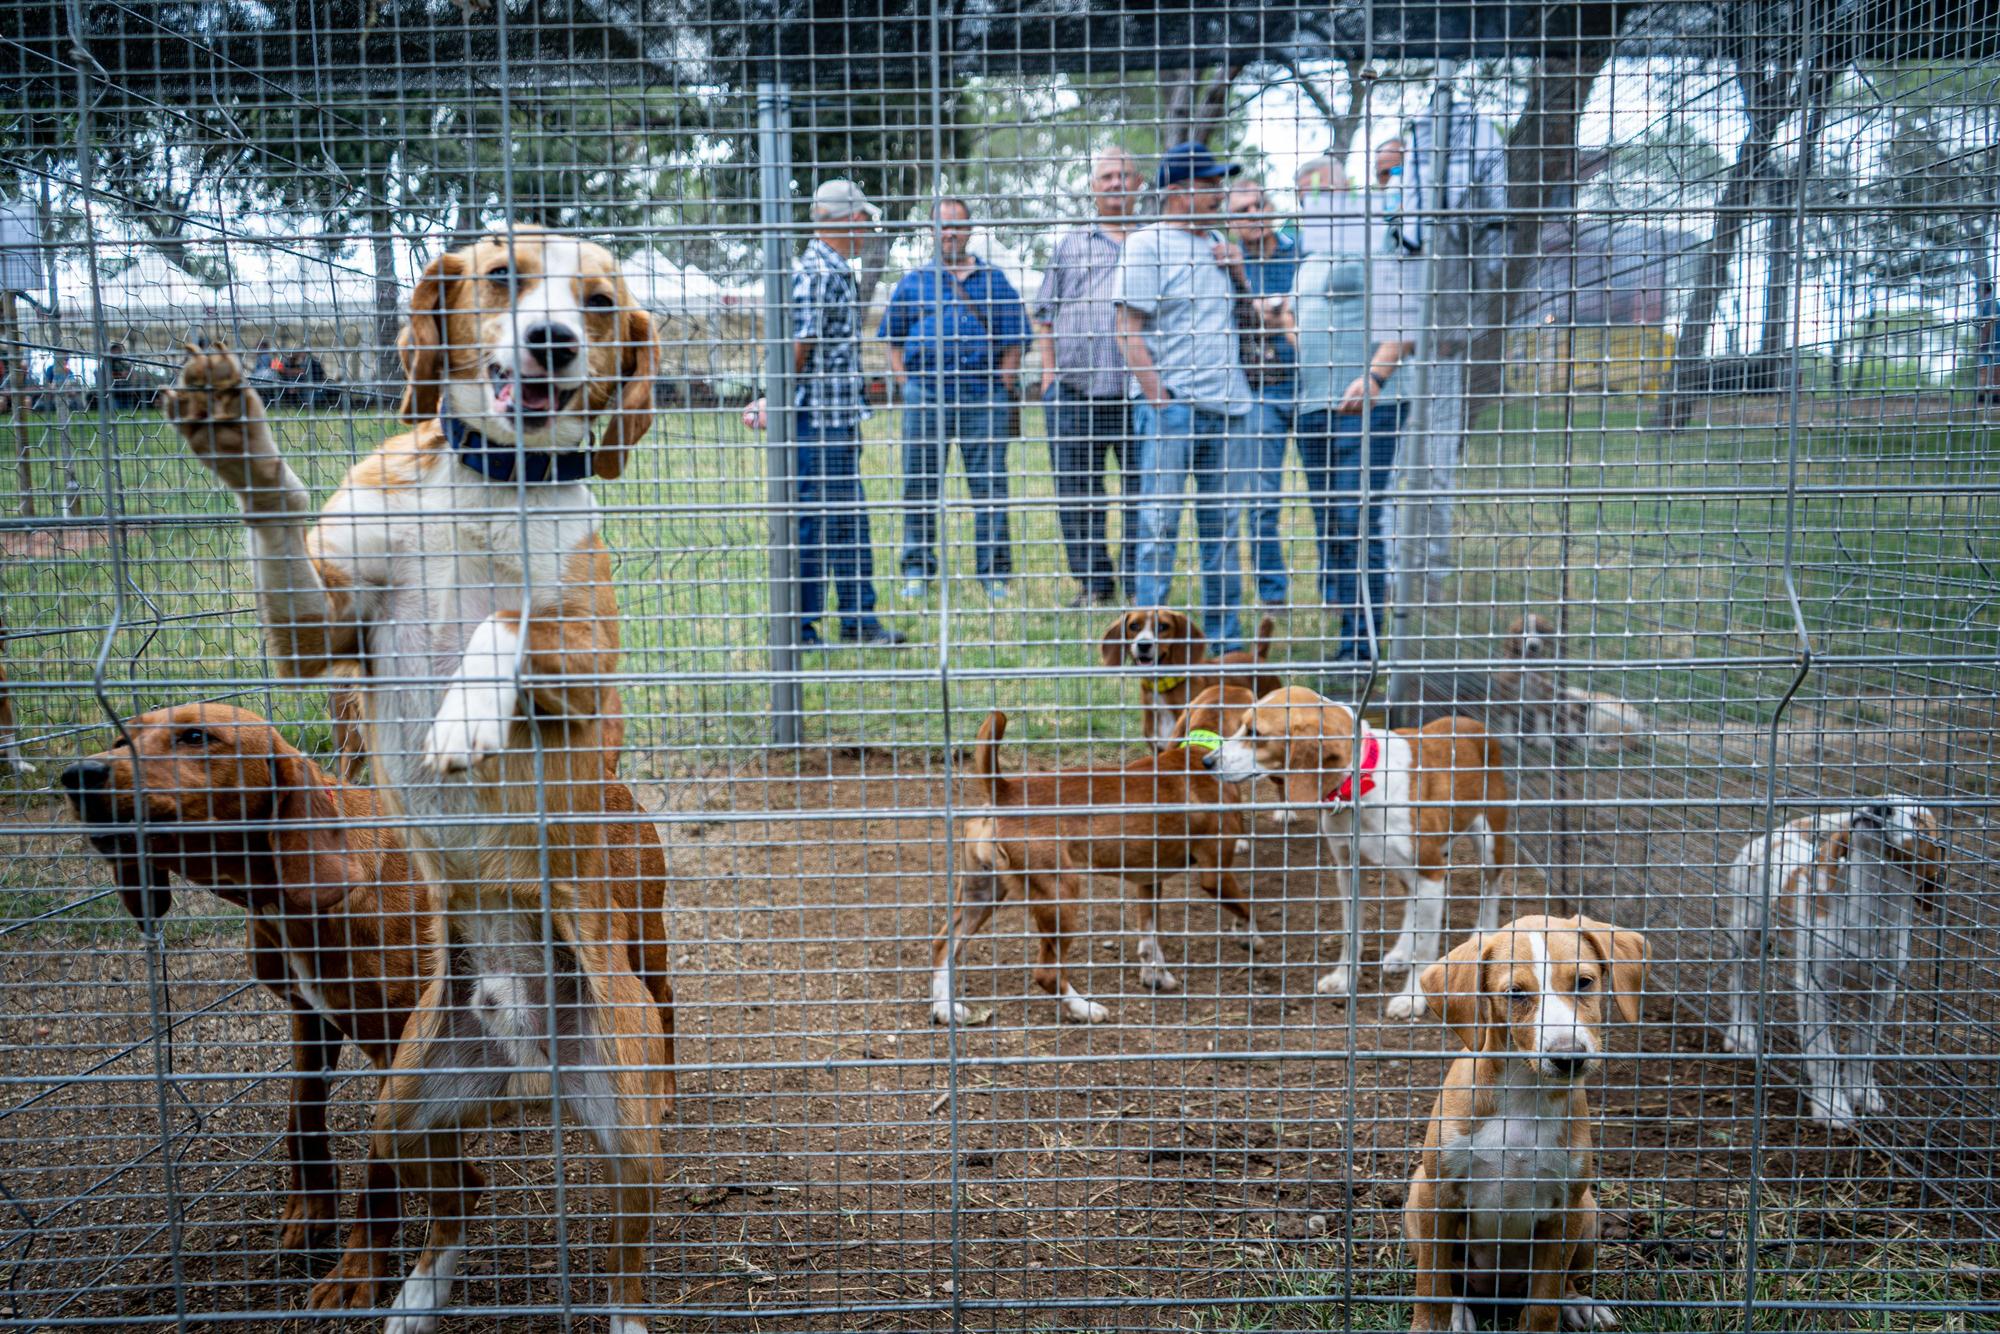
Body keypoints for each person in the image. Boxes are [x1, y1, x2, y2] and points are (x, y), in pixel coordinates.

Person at [1115, 142, 1254, 652]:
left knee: (1222, 531)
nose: (1220, 192)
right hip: (1173, 409)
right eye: (1210, 183)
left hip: (1230, 409)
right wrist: (1161, 400)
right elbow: (1126, 328)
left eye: (1220, 183)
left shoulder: (1219, 241)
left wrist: (1238, 273)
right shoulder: (1146, 244)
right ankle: (1149, 639)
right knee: (1159, 525)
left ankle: (1225, 643)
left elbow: (1251, 324)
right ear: (1176, 192)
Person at [1289, 209, 1423, 662]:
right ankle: (1349, 639)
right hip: (1313, 407)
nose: (1316, 203)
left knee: (1356, 518)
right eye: (1307, 195)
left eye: (1325, 191)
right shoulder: (1307, 257)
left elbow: (1404, 321)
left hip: (1368, 405)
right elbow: (1301, 329)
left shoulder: (1381, 239)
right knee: (1332, 524)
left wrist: (1374, 377)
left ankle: (1362, 645)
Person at [879, 198, 1028, 603]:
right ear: (932, 232)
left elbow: (1016, 336)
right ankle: (916, 569)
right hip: (925, 394)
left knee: (990, 486)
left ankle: (993, 572)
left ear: (968, 231)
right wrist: (908, 381)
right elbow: (892, 338)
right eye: (943, 226)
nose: (950, 233)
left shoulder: (994, 282)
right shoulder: (912, 282)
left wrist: (1003, 381)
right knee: (919, 485)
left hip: (982, 396)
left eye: (957, 226)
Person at [787, 179, 907, 647]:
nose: (870, 230)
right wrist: (774, 399)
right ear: (853, 220)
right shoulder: (819, 271)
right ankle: (805, 627)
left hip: (834, 416)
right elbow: (798, 344)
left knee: (846, 518)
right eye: (867, 221)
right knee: (820, 521)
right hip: (819, 420)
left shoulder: (832, 268)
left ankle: (858, 619)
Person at [1033, 148, 1144, 607]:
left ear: (1139, 184)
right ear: (1094, 188)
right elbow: (1043, 312)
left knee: (1144, 491)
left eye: (1124, 175)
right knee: (1078, 493)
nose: (1116, 183)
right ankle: (1094, 585)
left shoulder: (1154, 239)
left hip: (1140, 390)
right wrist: (1049, 372)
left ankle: (1141, 584)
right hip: (1076, 388)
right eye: (1106, 177)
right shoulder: (1071, 242)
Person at [1226, 181, 1301, 610]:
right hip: (1258, 391)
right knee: (1262, 501)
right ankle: (1273, 595)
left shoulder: (1299, 250)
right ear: (1232, 219)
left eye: (1260, 204)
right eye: (1243, 208)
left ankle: (1335, 591)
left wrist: (1271, 312)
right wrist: (1272, 310)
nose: (1254, 213)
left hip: (1309, 383)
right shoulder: (1227, 259)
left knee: (1328, 498)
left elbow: (1298, 310)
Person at [1977, 280, 2000, 402]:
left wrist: (1982, 342)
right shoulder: (1996, 303)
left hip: (1990, 342)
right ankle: (1996, 395)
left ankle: (1983, 395)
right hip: (1998, 341)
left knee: (1985, 368)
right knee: (1997, 369)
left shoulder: (1986, 303)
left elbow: (1987, 325)